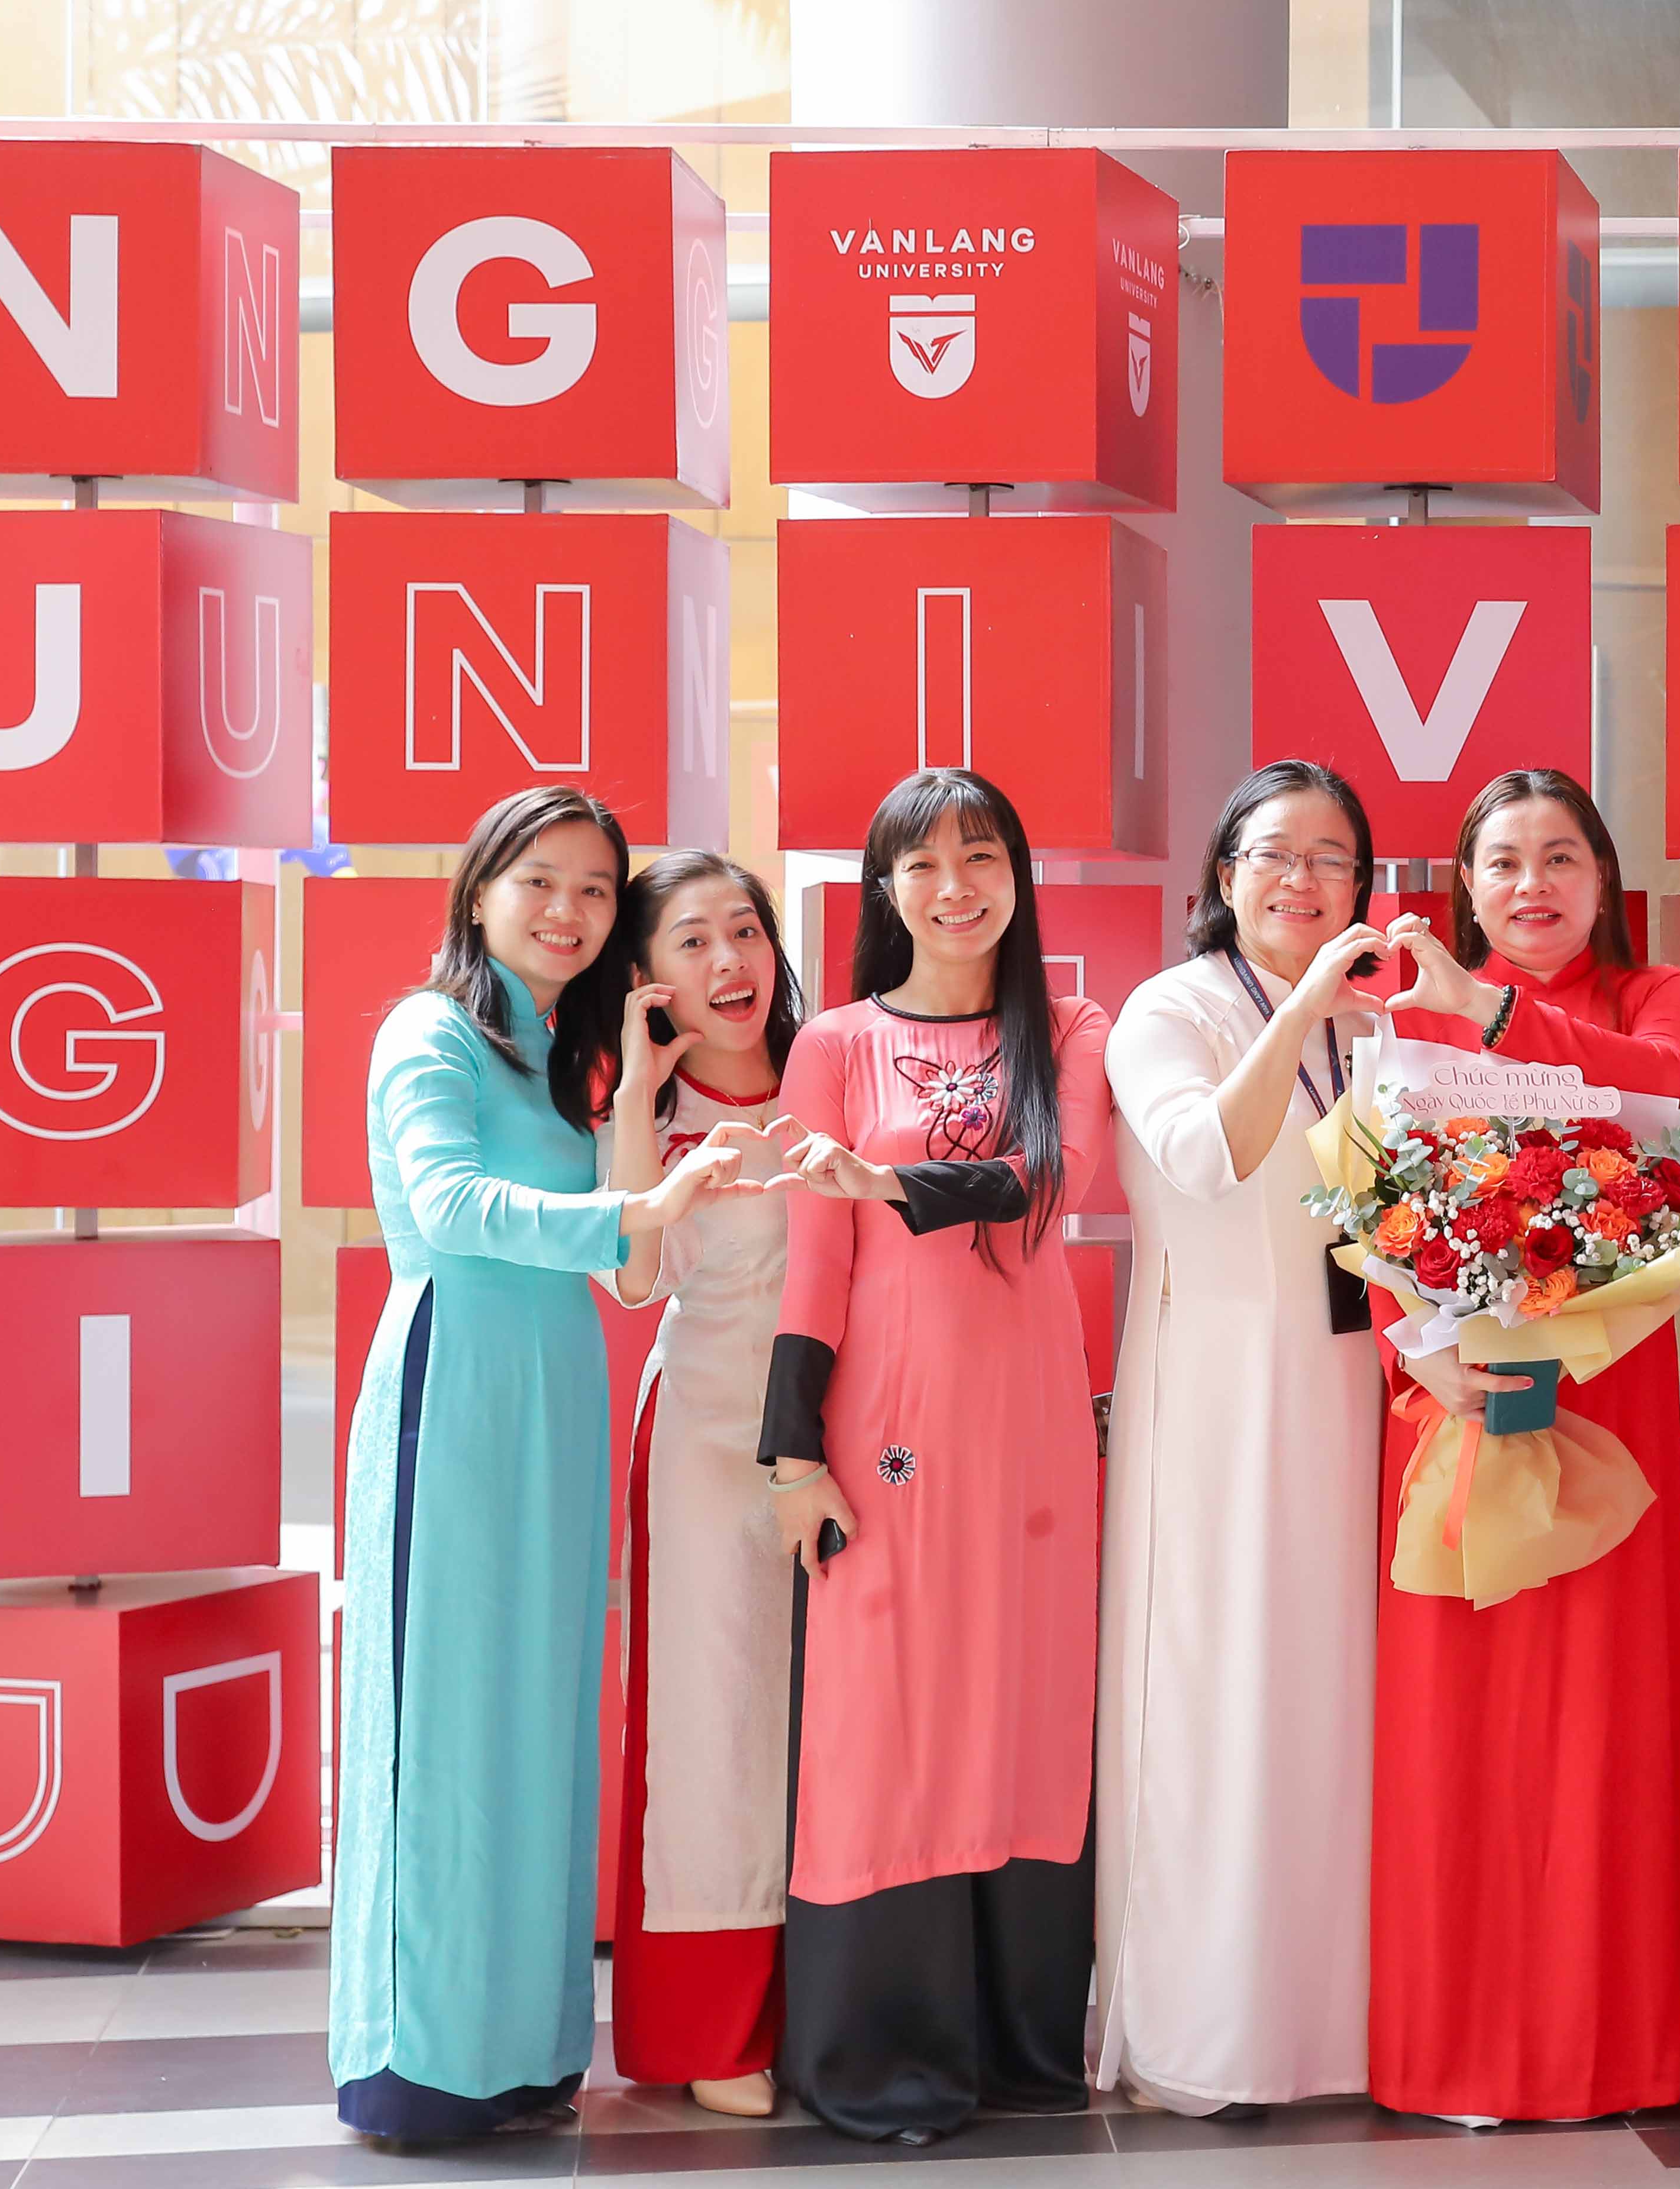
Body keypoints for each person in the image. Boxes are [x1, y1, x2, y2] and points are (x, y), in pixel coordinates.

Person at [332, 786, 746, 2141]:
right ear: (480, 891)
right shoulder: (430, 1030)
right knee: (446, 1716)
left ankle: (522, 2050)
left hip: (560, 1387)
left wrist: (639, 1104)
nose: (567, 911)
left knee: (544, 1707)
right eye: (540, 882)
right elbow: (446, 1205)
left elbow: (631, 1267)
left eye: (594, 890)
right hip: (455, 1384)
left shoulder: (571, 1059)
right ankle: (419, 2060)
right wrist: (628, 1207)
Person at [760, 768, 1113, 2145]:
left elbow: (1051, 1178)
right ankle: (884, 2052)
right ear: (886, 889)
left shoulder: (1070, 1027)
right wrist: (793, 1454)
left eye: (982, 858)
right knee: (884, 1722)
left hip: (1029, 1433)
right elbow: (812, 1263)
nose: (954, 886)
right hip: (883, 1432)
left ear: (1018, 878)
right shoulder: (834, 1045)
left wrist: (892, 1180)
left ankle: (1022, 2048)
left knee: (1023, 1707)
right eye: (923, 863)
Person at [1366, 770, 1680, 2123]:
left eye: (1560, 857)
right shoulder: (1405, 1012)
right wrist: (1416, 1343)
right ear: (1465, 883)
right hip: (1452, 1391)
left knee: (1599, 1725)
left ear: (1603, 874)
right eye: (1502, 861)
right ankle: (1448, 2049)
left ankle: (1605, 2049)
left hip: (1606, 1388)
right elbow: (1364, 1195)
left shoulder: (1659, 994)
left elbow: (1662, 1084)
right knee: (1455, 1723)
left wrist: (1489, 1008)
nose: (1531, 886)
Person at [1096, 761, 1391, 2116]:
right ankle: (1200, 2033)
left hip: (1348, 1387)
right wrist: (1309, 1006)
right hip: (1214, 1396)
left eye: (1332, 858)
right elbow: (1207, 1156)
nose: (1302, 880)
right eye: (1275, 854)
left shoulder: (1373, 1023)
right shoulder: (1172, 1008)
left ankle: (1325, 2025)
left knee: (1328, 1695)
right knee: (1218, 1692)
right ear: (1224, 875)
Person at [597, 851, 809, 2120]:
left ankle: (836, 2005)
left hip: (849, 1445)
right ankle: (714, 2025)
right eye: (691, 942)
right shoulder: (653, 1115)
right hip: (708, 1445)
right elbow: (633, 1279)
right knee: (715, 1727)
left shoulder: (838, 1067)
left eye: (746, 930)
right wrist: (638, 1093)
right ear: (646, 978)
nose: (730, 962)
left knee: (838, 1730)